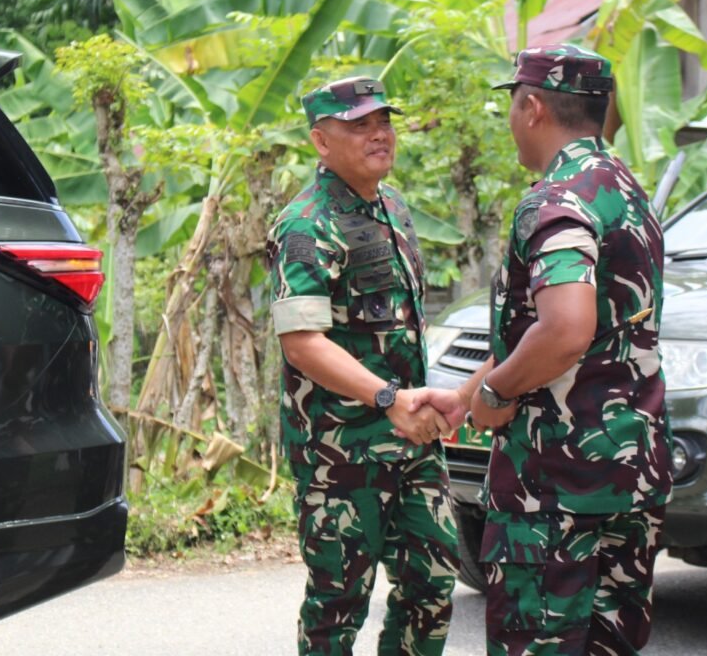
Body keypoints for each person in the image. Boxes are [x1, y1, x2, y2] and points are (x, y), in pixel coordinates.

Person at [419, 44, 673, 655]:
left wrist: (497, 391)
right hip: (630, 471)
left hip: (556, 486)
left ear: (531, 106)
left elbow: (564, 328)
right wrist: (463, 396)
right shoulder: (627, 191)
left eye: (511, 104)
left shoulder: (557, 200)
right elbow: (549, 329)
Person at [266, 76, 459, 656]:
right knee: (338, 600)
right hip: (341, 451)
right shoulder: (304, 224)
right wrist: (387, 399)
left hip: (412, 439)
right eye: (359, 126)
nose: (379, 134)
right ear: (321, 142)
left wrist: (410, 406)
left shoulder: (392, 207)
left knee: (432, 585)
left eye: (383, 122)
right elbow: (302, 342)